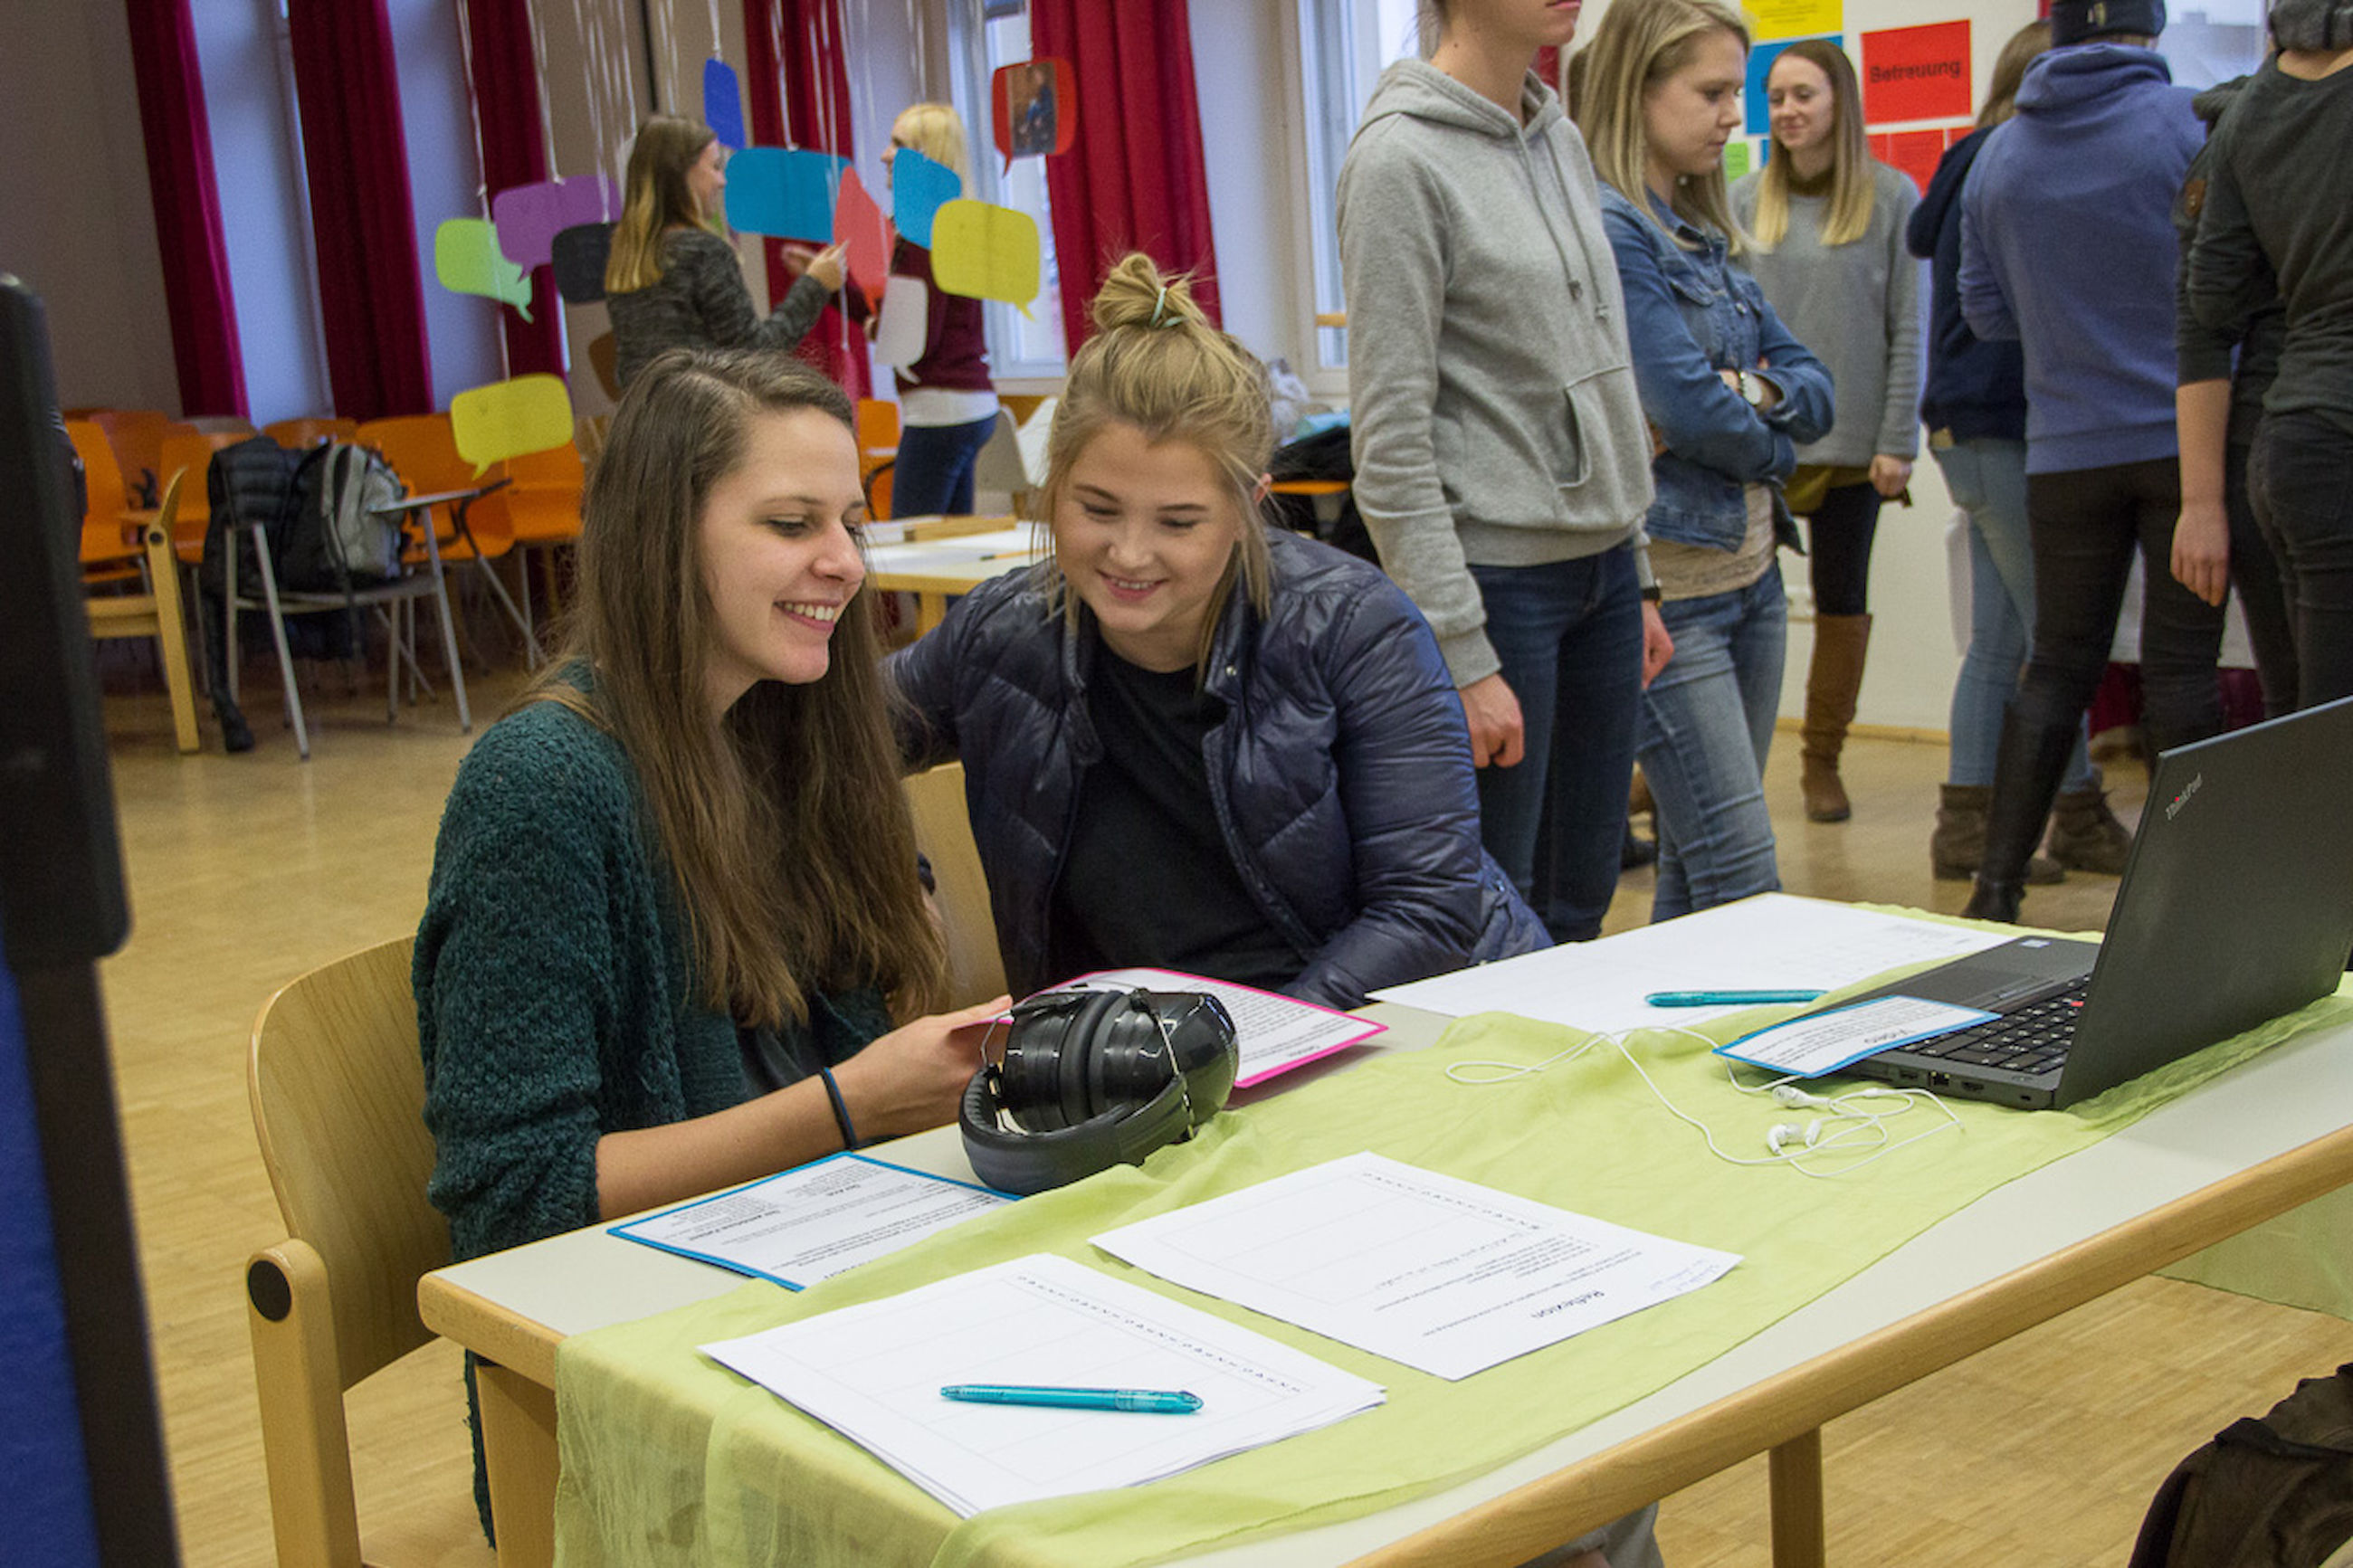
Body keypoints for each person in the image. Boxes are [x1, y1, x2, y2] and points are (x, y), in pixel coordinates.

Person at [415, 350, 1009, 1529]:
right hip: (638, 1386)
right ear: (661, 541)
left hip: (821, 1295)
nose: (843, 561)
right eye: (791, 524)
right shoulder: (542, 787)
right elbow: (516, 1203)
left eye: (849, 520)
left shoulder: (789, 726)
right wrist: (848, 1104)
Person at [888, 254, 1547, 1014]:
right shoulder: (997, 632)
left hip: (1384, 1019)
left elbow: (1427, 907)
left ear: (1247, 509)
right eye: (1097, 509)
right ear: (1054, 485)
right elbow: (825, 743)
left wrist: (1261, 1043)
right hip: (1146, 1046)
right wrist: (898, 876)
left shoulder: (1357, 628)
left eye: (1179, 522)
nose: (1129, 553)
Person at [1338, 0, 1671, 947]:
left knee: (1583, 892)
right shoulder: (1397, 160)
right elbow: (1389, 441)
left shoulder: (1557, 135)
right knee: (1495, 909)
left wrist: (1637, 570)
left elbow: (1602, 364)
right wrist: (1460, 651)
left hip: (1604, 575)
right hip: (1495, 588)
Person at [1957, 0, 2225, 923]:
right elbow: (2232, 279)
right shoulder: (2186, 123)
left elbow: (1982, 312)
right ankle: (2192, 905)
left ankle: (1993, 889)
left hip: (2062, 449)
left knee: (2054, 668)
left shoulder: (1997, 154)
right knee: (2180, 672)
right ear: (2150, 28)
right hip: (2183, 442)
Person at [1580, 0, 1835, 920]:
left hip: (1752, 578)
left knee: (1697, 877)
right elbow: (1684, 406)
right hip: (1671, 596)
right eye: (1713, 92)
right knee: (1743, 880)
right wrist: (1770, 436)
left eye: (1737, 92)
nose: (1735, 116)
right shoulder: (1613, 229)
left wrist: (1748, 395)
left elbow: (1816, 385)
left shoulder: (1699, 229)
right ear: (1638, 91)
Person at [1910, 21, 2132, 885]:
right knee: (2056, 639)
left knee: (2005, 638)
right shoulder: (2014, 163)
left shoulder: (1973, 159)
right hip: (1998, 421)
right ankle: (2069, 815)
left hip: (1970, 425)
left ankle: (1974, 823)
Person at [1729, 40, 1921, 825]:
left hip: (1853, 445)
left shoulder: (1892, 197)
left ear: (1840, 101)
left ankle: (1822, 760)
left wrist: (1898, 440)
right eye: (1775, 98)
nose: (1787, 111)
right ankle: (1716, 766)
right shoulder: (1742, 200)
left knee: (1843, 602)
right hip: (1759, 443)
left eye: (1803, 95)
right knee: (1736, 607)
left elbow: (1909, 327)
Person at [2186, 0, 2353, 708]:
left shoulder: (2249, 112)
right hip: (2337, 436)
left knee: (2312, 722)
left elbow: (2211, 299)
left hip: (2289, 442)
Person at [2169, 73, 2301, 718]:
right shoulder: (2242, 132)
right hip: (2280, 440)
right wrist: (2200, 503)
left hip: (2287, 438)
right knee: (2301, 699)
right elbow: (2201, 328)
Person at [604, 116, 848, 391]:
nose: (722, 181)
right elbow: (756, 353)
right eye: (715, 167)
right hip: (701, 411)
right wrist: (815, 285)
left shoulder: (625, 255)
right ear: (683, 172)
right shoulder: (703, 251)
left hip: (649, 413)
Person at [877, 104, 998, 518]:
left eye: (898, 144)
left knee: (909, 543)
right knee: (950, 545)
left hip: (940, 410)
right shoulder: (952, 223)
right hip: (971, 404)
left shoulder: (921, 232)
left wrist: (876, 326)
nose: (884, 155)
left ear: (925, 157)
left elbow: (915, 339)